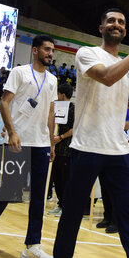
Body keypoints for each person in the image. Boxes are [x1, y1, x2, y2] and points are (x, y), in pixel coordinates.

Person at [53, 9, 129, 258]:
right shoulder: (87, 53)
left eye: (121, 22)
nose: (117, 24)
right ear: (101, 28)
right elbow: (107, 77)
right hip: (87, 147)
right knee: (72, 214)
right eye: (111, 21)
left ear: (125, 30)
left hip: (119, 151)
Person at [0, 35, 58, 258]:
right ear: (35, 50)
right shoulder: (19, 72)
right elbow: (4, 102)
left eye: (52, 50)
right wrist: (11, 132)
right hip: (19, 142)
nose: (51, 53)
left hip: (41, 144)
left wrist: (51, 141)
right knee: (9, 189)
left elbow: (50, 112)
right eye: (47, 49)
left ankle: (32, 245)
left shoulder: (52, 80)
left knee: (39, 196)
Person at [47, 83, 75, 218]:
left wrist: (61, 137)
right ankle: (60, 204)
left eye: (58, 94)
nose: (56, 97)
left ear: (62, 94)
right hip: (56, 150)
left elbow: (75, 128)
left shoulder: (73, 109)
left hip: (67, 150)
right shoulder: (56, 109)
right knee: (56, 179)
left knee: (65, 179)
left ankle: (66, 206)